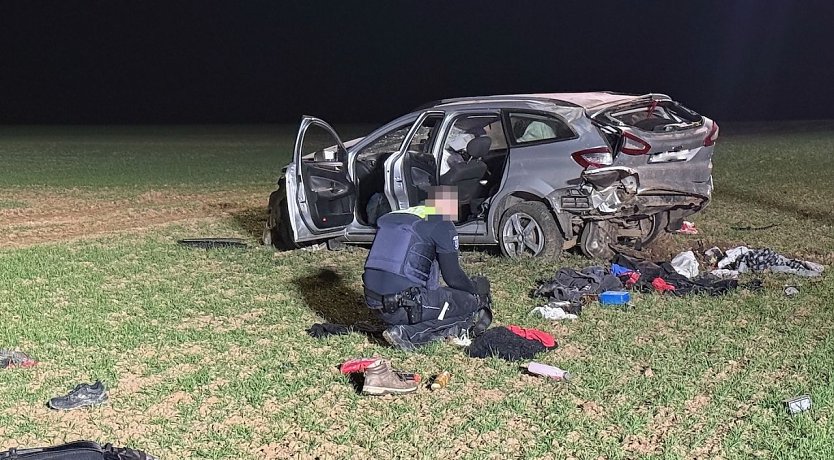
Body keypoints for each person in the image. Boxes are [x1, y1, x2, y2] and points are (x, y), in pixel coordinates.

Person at [362, 185, 493, 351]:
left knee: (434, 292)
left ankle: (406, 321)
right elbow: (453, 277)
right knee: (468, 303)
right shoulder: (442, 223)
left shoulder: (397, 216)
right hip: (405, 307)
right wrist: (475, 292)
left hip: (375, 303)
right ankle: (408, 333)